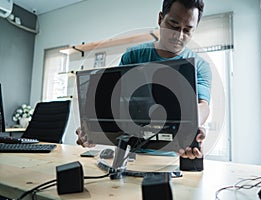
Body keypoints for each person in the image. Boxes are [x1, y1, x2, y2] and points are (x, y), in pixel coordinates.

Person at [76, 0, 211, 160]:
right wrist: (94, 130)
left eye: (188, 30)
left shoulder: (200, 66)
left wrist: (194, 125)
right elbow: (117, 100)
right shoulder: (133, 56)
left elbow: (203, 105)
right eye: (174, 25)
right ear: (160, 18)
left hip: (172, 155)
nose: (179, 35)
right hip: (131, 153)